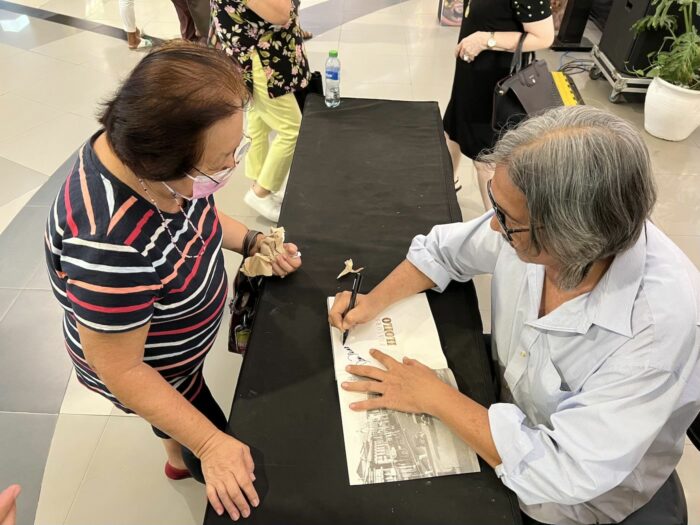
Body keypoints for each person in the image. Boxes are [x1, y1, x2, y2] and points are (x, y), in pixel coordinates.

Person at [329, 106, 700, 525]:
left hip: (566, 499)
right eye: (496, 206)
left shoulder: (655, 329)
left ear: (571, 237)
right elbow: (443, 251)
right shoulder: (537, 225)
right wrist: (372, 302)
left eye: (508, 220)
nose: (493, 228)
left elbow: (562, 470)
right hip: (504, 405)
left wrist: (434, 397)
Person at [45, 41, 302, 522]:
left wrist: (251, 241)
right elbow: (121, 371)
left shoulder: (155, 170)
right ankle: (183, 455)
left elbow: (196, 213)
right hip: (152, 369)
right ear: (162, 156)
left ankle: (173, 453)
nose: (232, 167)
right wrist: (209, 443)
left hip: (171, 350)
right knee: (217, 443)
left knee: (180, 416)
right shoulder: (109, 247)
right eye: (223, 159)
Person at [443, 0, 554, 204]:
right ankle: (446, 185)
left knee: (486, 161)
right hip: (470, 73)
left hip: (496, 83)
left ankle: (497, 226)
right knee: (452, 129)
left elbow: (544, 37)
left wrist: (486, 40)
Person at [211, 0, 311, 222]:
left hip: (258, 52)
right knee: (291, 129)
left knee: (260, 119)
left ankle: (259, 178)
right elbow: (281, 13)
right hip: (261, 58)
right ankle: (261, 192)